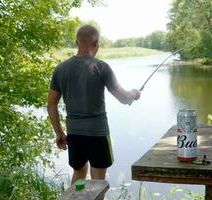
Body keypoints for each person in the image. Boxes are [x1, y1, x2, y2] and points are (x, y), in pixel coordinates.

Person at [47, 24, 141, 185]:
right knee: (98, 181)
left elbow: (51, 104)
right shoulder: (101, 67)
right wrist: (134, 93)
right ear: (96, 42)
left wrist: (59, 132)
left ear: (77, 43)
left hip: (74, 133)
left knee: (79, 173)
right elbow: (124, 98)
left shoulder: (61, 69)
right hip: (97, 133)